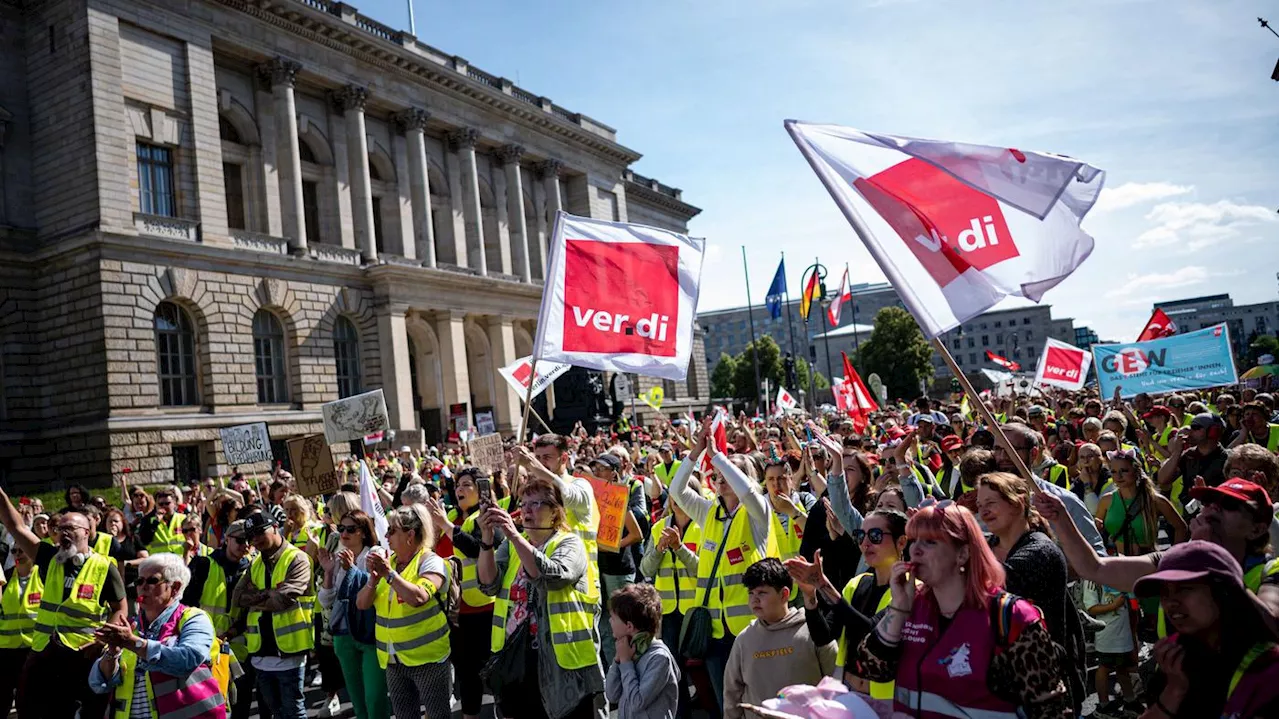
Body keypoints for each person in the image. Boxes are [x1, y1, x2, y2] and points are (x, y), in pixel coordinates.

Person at [852, 502, 1074, 719]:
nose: (915, 550)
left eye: (930, 542)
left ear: (963, 554)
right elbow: (872, 669)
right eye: (913, 540)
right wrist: (899, 609)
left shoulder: (1010, 616)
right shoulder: (910, 605)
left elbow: (1052, 710)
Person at [669, 417, 778, 716]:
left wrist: (718, 456)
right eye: (717, 474)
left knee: (757, 704)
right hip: (715, 631)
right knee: (725, 704)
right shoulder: (708, 512)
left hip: (751, 628)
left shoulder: (758, 512)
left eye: (729, 473)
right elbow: (677, 489)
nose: (720, 477)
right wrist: (695, 453)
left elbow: (748, 493)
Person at [478, 477, 605, 719]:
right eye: (524, 504)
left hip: (560, 660)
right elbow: (488, 584)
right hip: (517, 654)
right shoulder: (512, 544)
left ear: (556, 512)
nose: (526, 510)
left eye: (535, 504)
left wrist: (514, 535)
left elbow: (549, 576)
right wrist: (486, 538)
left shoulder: (570, 543)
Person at [0, 491, 128, 719]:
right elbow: (15, 526)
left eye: (71, 528)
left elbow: (120, 608)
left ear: (87, 532)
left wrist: (100, 642)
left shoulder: (104, 568)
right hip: (42, 655)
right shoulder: (50, 558)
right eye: (60, 529)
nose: (63, 533)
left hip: (83, 659)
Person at [978, 472, 1087, 714]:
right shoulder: (987, 546)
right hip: (1001, 685)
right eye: (980, 505)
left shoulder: (1040, 551)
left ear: (1018, 502)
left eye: (991, 503)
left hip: (1044, 685)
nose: (983, 511)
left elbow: (989, 586)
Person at [1133, 541, 1280, 718]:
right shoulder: (1172, 657)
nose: (1170, 602)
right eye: (1165, 592)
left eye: (1184, 589)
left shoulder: (1268, 669)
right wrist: (1174, 691)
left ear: (1223, 592)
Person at [790, 509, 908, 699]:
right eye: (860, 536)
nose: (866, 543)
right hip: (846, 691)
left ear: (901, 542)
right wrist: (810, 595)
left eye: (875, 536)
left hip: (886, 699)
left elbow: (871, 632)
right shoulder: (857, 583)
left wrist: (823, 585)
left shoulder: (910, 590)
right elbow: (824, 636)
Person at [89, 553, 224, 719]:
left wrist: (133, 643)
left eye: (152, 581)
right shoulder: (132, 626)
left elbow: (187, 660)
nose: (142, 587)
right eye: (139, 581)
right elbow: (99, 683)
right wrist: (112, 653)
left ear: (175, 587)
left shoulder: (194, 618)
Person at [356, 504, 452, 719]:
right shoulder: (389, 563)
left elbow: (418, 597)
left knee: (437, 715)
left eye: (392, 531)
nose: (386, 536)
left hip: (427, 658)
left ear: (410, 535)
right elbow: (361, 604)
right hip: (394, 659)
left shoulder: (430, 561)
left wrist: (388, 575)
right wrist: (373, 579)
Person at [723, 558, 836, 719]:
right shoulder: (744, 639)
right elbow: (731, 693)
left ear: (784, 594)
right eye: (751, 593)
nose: (754, 599)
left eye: (762, 592)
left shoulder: (814, 631)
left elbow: (837, 679)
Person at [425, 467, 494, 719]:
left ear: (481, 490)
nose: (460, 489)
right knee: (465, 671)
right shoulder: (450, 515)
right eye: (458, 485)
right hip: (452, 609)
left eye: (467, 485)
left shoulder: (484, 517)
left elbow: (477, 548)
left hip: (483, 608)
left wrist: (444, 524)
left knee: (488, 670)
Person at [231, 510, 312, 719]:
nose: (254, 540)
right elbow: (238, 597)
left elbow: (282, 601)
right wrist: (267, 594)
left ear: (275, 527)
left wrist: (259, 598)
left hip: (289, 652)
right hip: (260, 655)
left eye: (259, 533)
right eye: (250, 536)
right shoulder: (256, 562)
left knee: (294, 712)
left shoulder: (297, 558)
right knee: (276, 713)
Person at [183, 519, 255, 719]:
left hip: (238, 647)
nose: (246, 546)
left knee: (240, 703)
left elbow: (250, 610)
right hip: (206, 648)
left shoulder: (252, 567)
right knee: (208, 705)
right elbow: (187, 605)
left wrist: (231, 632)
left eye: (250, 541)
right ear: (226, 539)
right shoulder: (204, 563)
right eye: (240, 540)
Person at [319, 509, 386, 719]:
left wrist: (351, 570)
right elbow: (326, 600)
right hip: (344, 634)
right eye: (341, 529)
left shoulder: (375, 553)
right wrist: (329, 571)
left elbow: (372, 588)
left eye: (350, 529)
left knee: (374, 697)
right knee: (357, 699)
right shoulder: (340, 557)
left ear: (363, 532)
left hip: (370, 634)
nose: (344, 533)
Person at [640, 498, 699, 719]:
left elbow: (703, 569)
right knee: (675, 668)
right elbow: (645, 568)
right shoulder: (658, 527)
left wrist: (679, 548)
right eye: (672, 497)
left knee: (704, 666)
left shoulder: (703, 525)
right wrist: (658, 549)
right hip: (668, 611)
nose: (676, 502)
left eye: (681, 495)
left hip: (697, 608)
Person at [590, 453, 645, 663]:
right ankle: (615, 667)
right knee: (605, 623)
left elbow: (636, 534)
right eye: (595, 468)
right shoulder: (594, 499)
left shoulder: (619, 499)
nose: (597, 472)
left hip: (619, 571)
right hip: (600, 569)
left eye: (602, 469)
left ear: (613, 473)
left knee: (623, 621)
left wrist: (612, 547)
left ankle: (632, 664)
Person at [604, 583, 679, 719]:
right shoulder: (628, 649)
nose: (610, 621)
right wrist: (617, 660)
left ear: (629, 626)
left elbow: (637, 702)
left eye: (613, 618)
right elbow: (611, 694)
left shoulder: (659, 658)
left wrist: (626, 662)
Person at [1097, 449, 1186, 555]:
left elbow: (1181, 527)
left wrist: (1174, 557)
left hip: (1148, 563)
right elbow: (1095, 531)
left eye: (1124, 470)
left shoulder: (1154, 500)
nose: (1118, 476)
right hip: (1118, 564)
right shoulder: (1106, 500)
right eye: (1113, 471)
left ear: (1136, 471)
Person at [1080, 576, 1140, 717]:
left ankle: (1130, 701)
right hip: (1108, 634)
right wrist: (1114, 606)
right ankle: (1104, 706)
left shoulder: (1117, 574)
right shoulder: (1092, 580)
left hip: (1123, 634)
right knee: (1105, 668)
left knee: (1122, 668)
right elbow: (1091, 608)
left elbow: (1132, 603)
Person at [0, 543, 39, 716]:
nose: (17, 554)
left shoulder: (45, 576)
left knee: (28, 700)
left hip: (33, 648)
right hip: (7, 648)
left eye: (21, 550)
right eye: (13, 551)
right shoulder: (6, 578)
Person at [139, 487, 187, 557]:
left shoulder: (184, 519)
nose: (164, 506)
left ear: (174, 503)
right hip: (159, 562)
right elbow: (144, 540)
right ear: (156, 505)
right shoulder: (148, 520)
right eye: (161, 504)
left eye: (167, 503)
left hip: (180, 561)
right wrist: (155, 523)